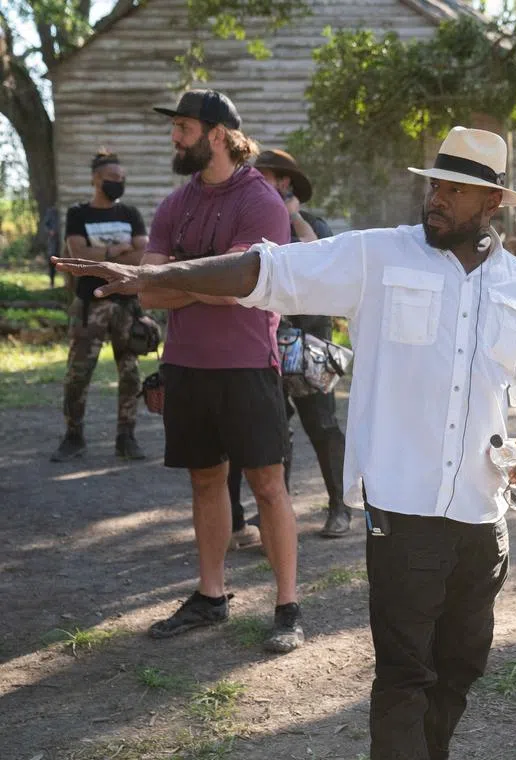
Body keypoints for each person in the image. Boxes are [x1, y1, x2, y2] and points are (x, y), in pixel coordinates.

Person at [55, 126, 516, 760]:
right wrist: (149, 273)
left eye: (454, 190)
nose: (435, 198)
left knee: (461, 667)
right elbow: (265, 269)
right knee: (405, 674)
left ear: (491, 202)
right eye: (434, 183)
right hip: (401, 511)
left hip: (484, 513)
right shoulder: (379, 257)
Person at [142, 90, 302, 652]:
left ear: (215, 134)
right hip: (185, 364)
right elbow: (147, 288)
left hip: (246, 366)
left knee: (267, 484)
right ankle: (211, 596)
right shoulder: (173, 204)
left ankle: (288, 607)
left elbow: (240, 290)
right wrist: (194, 286)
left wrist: (178, 284)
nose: (174, 137)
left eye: (182, 127)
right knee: (205, 479)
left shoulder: (261, 202)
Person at [225, 149, 352, 548]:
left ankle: (340, 506)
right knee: (273, 435)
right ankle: (274, 519)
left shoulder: (311, 224)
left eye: (270, 177)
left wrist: (292, 216)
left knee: (324, 428)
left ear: (287, 182)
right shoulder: (252, 223)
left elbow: (325, 264)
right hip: (263, 345)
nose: (261, 182)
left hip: (310, 344)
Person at [50, 151, 148, 463]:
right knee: (78, 374)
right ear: (96, 180)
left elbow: (142, 256)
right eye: (113, 178)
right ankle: (73, 436)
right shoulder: (79, 213)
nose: (119, 183)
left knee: (131, 373)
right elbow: (76, 255)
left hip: (127, 304)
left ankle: (126, 437)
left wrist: (101, 256)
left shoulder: (131, 213)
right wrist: (115, 250)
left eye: (122, 178)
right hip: (89, 305)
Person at [41, 206, 61, 289]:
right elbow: (45, 225)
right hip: (53, 242)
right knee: (52, 261)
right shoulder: (52, 211)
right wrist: (50, 231)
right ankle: (52, 283)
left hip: (64, 242)